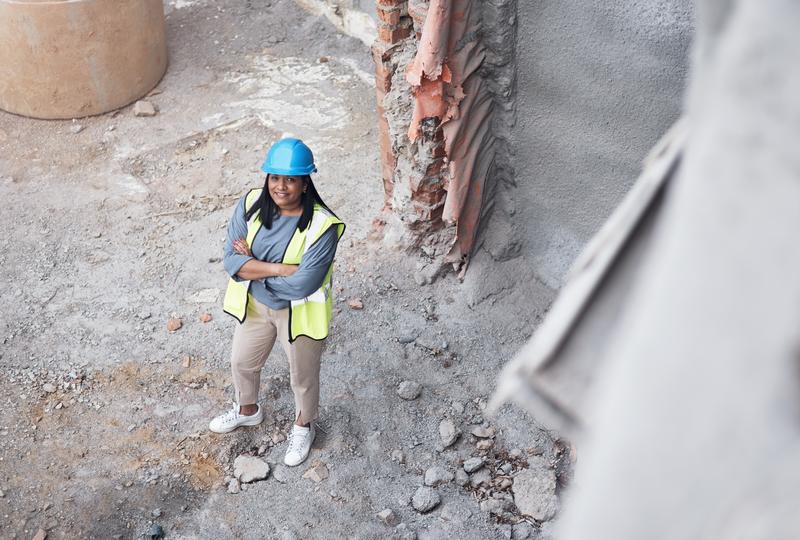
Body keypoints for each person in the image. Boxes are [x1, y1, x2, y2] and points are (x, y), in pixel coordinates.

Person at [209, 138, 345, 467]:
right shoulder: (250, 204)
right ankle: (247, 410)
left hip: (297, 315)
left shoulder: (321, 225)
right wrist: (280, 269)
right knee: (242, 362)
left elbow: (304, 284)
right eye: (274, 177)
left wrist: (252, 266)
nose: (280, 187)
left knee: (303, 376)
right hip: (256, 308)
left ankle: (303, 426)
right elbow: (230, 261)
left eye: (290, 179)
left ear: (304, 182)